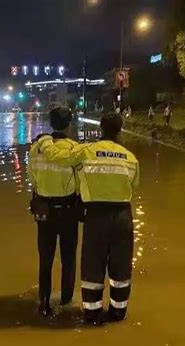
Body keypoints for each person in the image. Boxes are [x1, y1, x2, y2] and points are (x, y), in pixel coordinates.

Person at [37, 113, 140, 325]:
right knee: (121, 266)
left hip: (96, 216)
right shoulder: (130, 157)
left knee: (93, 264)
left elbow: (58, 156)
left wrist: (45, 140)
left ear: (101, 128)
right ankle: (118, 313)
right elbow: (133, 187)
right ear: (120, 130)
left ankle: (92, 315)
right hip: (123, 217)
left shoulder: (87, 151)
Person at [27, 107, 79, 317]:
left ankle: (44, 303)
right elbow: (80, 182)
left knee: (45, 259)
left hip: (44, 212)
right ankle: (66, 302)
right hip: (68, 211)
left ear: (51, 123)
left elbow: (33, 179)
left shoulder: (36, 149)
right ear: (69, 125)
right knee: (68, 258)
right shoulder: (75, 149)